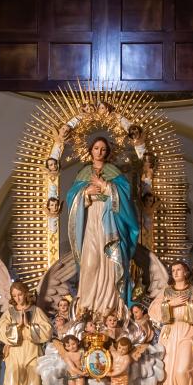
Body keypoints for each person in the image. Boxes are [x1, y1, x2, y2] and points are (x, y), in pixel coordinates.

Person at [65, 136, 140, 321]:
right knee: (90, 264)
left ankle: (109, 309)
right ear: (90, 150)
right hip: (90, 219)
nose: (100, 152)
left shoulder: (114, 172)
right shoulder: (83, 174)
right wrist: (85, 193)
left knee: (110, 262)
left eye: (104, 149)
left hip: (110, 222)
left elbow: (125, 197)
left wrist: (106, 186)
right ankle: (86, 310)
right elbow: (71, 199)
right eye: (97, 148)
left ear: (108, 152)